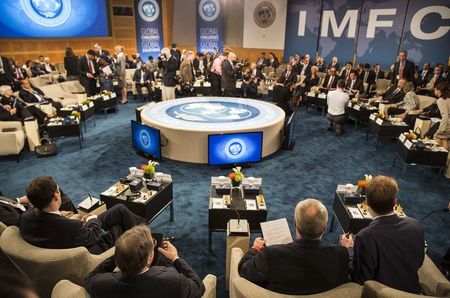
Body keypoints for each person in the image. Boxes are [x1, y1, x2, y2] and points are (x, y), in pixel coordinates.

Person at [238, 198, 350, 295]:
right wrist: (348, 249)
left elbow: (243, 269)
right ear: (324, 228)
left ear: (295, 223)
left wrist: (255, 248)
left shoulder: (272, 254)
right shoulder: (340, 255)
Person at [340, 176, 425, 294]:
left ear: (367, 202)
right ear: (395, 202)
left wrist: (349, 249)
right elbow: (419, 262)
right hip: (413, 293)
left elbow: (360, 279)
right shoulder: (415, 225)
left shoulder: (365, 236)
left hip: (380, 294)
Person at [19, 176, 146, 254]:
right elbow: (93, 235)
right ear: (56, 195)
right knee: (121, 224)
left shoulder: (25, 218)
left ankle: (145, 232)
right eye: (58, 190)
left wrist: (60, 215)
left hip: (67, 241)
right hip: (91, 250)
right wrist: (92, 219)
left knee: (119, 209)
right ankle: (147, 243)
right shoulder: (70, 226)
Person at [84, 225, 205, 298]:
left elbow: (89, 278)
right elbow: (199, 287)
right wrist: (175, 258)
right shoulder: (174, 281)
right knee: (164, 260)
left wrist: (122, 253)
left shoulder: (102, 284)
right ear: (149, 259)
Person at [0, 187, 77, 227]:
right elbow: (20, 222)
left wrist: (19, 200)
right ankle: (69, 222)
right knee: (58, 196)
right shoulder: (2, 213)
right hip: (34, 217)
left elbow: (5, 201)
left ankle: (72, 217)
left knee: (58, 193)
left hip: (26, 208)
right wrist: (36, 207)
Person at [434, 82, 450, 150]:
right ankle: (444, 159)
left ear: (439, 91)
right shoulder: (448, 99)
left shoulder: (440, 100)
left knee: (437, 137)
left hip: (446, 124)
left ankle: (438, 159)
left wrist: (441, 129)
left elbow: (445, 116)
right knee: (444, 139)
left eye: (435, 89)